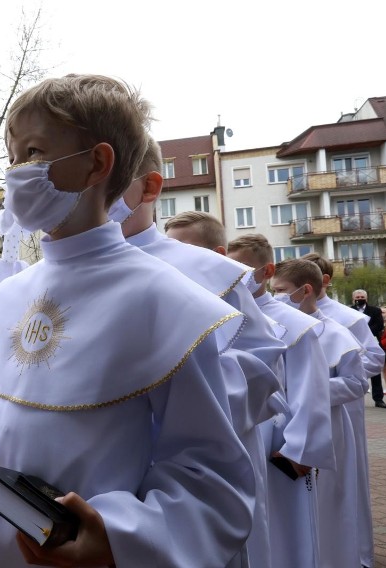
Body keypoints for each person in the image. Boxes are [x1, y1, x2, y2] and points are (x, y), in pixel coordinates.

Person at [0, 74, 254, 567]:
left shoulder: (167, 301)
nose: (15, 174)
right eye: (11, 159)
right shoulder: (6, 298)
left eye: (33, 153)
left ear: (97, 162)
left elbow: (210, 476)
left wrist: (119, 537)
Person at [116, 144, 285, 566]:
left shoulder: (210, 272)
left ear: (148, 187)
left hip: (188, 475)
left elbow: (262, 361)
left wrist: (177, 399)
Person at [227, 234, 335, 567]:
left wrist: (297, 451)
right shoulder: (224, 315)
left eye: (241, 266)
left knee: (285, 535)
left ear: (265, 270)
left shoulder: (296, 324)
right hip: (238, 444)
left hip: (277, 449)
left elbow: (310, 391)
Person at [270, 259, 367, 568]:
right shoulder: (277, 327)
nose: (275, 297)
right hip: (285, 427)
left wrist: (307, 387)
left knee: (328, 505)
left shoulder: (336, 333)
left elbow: (357, 383)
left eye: (281, 290)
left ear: (306, 290)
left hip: (328, 427)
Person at [302, 252, 378, 568]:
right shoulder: (290, 314)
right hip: (305, 413)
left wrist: (326, 381)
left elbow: (373, 358)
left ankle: (357, 552)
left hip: (345, 410)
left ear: (324, 281)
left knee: (347, 480)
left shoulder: (351, 319)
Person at [351, 289, 386, 407]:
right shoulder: (350, 311)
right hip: (354, 343)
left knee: (375, 370)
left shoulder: (375, 311)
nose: (360, 299)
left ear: (366, 298)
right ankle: (354, 396)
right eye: (358, 297)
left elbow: (379, 324)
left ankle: (378, 399)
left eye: (362, 297)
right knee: (354, 369)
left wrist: (364, 332)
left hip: (371, 343)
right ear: (353, 298)